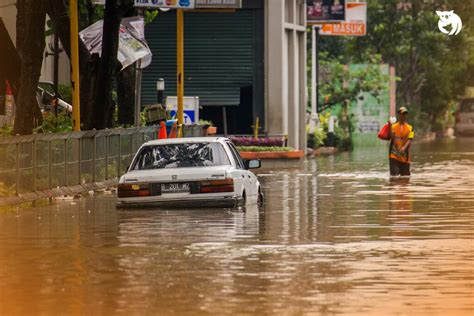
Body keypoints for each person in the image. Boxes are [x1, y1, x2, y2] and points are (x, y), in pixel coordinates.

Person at [389, 107, 414, 176]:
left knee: (405, 178)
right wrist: (389, 126)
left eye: (405, 114)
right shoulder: (393, 127)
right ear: (398, 115)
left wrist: (404, 148)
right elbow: (391, 137)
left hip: (405, 156)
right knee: (394, 177)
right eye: (402, 114)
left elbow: (410, 139)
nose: (403, 116)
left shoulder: (410, 128)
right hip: (394, 155)